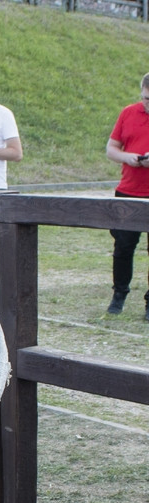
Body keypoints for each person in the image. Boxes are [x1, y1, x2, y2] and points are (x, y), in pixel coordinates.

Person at [104, 72, 149, 319]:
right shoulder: (129, 113)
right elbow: (111, 148)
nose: (148, 103)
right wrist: (128, 157)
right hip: (129, 190)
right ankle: (118, 295)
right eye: (145, 98)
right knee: (122, 248)